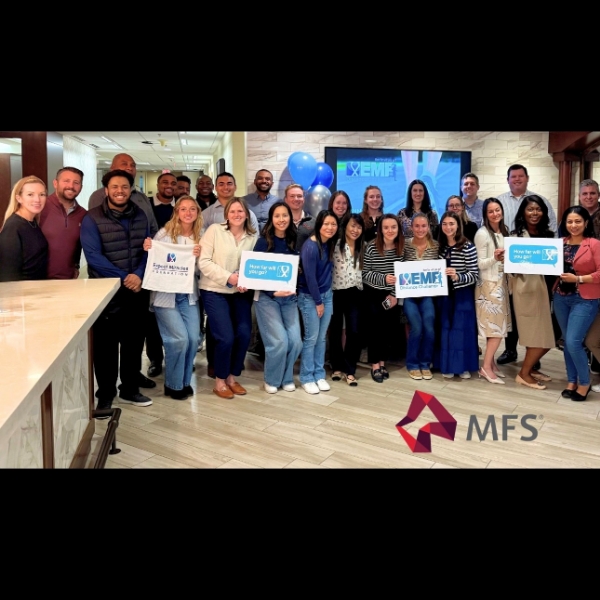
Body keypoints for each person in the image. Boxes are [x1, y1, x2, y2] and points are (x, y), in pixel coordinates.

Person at [80, 169, 153, 413]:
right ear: (106, 190)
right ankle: (105, 394)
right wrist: (125, 277)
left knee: (134, 344)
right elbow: (93, 256)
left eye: (124, 186)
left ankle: (130, 389)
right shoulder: (92, 218)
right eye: (115, 187)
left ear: (131, 189)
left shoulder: (140, 214)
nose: (120, 191)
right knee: (105, 348)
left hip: (136, 290)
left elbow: (147, 249)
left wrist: (139, 274)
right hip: (106, 292)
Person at [496, 164, 558, 366]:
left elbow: (554, 246)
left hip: (542, 283)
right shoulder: (501, 203)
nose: (534, 212)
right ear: (508, 179)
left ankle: (533, 357)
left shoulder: (548, 232)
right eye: (513, 176)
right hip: (519, 282)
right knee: (515, 317)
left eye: (520, 176)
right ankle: (511, 350)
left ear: (527, 178)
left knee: (538, 318)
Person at [143, 196, 202, 400]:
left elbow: (202, 270)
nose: (188, 213)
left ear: (197, 212)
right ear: (176, 212)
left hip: (188, 295)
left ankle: (184, 382)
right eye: (183, 209)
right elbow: (153, 262)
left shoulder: (201, 236)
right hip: (165, 296)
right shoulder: (163, 235)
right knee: (179, 339)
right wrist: (149, 249)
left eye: (192, 209)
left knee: (193, 339)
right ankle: (173, 385)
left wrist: (199, 258)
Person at [201, 172, 259, 379]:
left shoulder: (253, 237)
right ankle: (220, 379)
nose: (236, 214)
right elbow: (203, 262)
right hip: (214, 290)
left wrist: (246, 279)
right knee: (225, 337)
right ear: (226, 214)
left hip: (241, 292)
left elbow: (255, 264)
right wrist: (229, 277)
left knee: (243, 334)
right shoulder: (214, 230)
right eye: (232, 211)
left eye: (240, 211)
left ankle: (233, 377)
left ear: (247, 214)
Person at [253, 201, 302, 394]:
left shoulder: (294, 240)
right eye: (277, 216)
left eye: (285, 215)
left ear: (290, 218)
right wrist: (272, 291)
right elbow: (254, 273)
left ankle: (286, 377)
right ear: (271, 219)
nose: (281, 219)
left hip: (289, 299)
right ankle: (272, 379)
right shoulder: (263, 242)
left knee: (295, 342)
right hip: (267, 299)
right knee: (279, 341)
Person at [508, 195, 556, 390]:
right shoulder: (515, 237)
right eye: (530, 209)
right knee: (538, 336)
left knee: (545, 334)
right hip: (526, 291)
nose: (534, 213)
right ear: (523, 213)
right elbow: (511, 270)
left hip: (546, 290)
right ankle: (524, 374)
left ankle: (530, 368)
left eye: (538, 209)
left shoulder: (549, 236)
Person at [553, 206, 600, 402]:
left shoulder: (594, 244)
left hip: (585, 298)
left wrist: (579, 279)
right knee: (566, 341)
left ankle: (584, 382)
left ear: (586, 223)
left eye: (578, 221)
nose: (573, 225)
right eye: (570, 221)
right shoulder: (559, 243)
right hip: (560, 297)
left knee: (573, 341)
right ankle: (571, 380)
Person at [297, 210, 339, 394]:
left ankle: (319, 374)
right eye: (326, 224)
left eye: (333, 224)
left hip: (327, 295)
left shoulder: (329, 243)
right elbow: (310, 278)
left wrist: (325, 298)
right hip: (311, 298)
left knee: (321, 338)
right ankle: (306, 377)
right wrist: (318, 302)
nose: (330, 227)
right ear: (319, 225)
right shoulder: (310, 246)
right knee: (311, 338)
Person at [434, 211, 479, 379]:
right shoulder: (439, 246)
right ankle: (447, 366)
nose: (448, 227)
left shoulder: (467, 246)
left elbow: (474, 275)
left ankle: (462, 367)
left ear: (458, 225)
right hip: (444, 295)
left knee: (461, 331)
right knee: (446, 329)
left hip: (462, 295)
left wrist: (457, 276)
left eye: (451, 224)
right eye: (445, 224)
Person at [362, 213, 404, 383]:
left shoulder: (401, 248)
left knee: (388, 330)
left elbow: (403, 275)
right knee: (375, 330)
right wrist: (384, 279)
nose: (390, 230)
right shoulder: (371, 247)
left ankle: (383, 362)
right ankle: (375, 364)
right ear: (380, 229)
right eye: (386, 227)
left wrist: (394, 294)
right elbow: (365, 274)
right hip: (373, 294)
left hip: (392, 295)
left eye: (393, 227)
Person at [145, 171, 179, 378]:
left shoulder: (181, 206)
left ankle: (176, 357)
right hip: (155, 269)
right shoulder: (147, 205)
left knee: (176, 319)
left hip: (178, 270)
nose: (169, 186)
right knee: (154, 318)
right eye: (165, 182)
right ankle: (155, 359)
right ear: (157, 185)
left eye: (173, 183)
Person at [474, 198, 512, 385]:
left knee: (497, 328)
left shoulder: (504, 230)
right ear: (485, 214)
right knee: (496, 330)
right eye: (491, 211)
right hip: (488, 286)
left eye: (497, 210)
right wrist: (495, 258)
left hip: (501, 283)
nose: (495, 214)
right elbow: (479, 264)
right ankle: (486, 368)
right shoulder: (482, 233)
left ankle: (491, 363)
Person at [329, 213, 366, 386]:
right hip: (336, 292)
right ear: (345, 226)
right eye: (352, 226)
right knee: (335, 330)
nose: (355, 230)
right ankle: (336, 366)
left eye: (359, 227)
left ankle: (350, 370)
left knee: (354, 331)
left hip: (356, 293)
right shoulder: (335, 245)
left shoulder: (363, 247)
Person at [402, 213, 440, 380]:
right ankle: (412, 363)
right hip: (409, 296)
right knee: (416, 327)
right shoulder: (404, 245)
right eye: (416, 226)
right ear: (411, 227)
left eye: (423, 226)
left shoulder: (436, 246)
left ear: (429, 227)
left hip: (427, 295)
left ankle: (425, 363)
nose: (420, 229)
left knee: (429, 328)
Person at [88, 153, 158, 236]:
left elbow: (153, 228)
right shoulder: (98, 196)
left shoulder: (143, 198)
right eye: (124, 164)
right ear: (112, 168)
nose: (130, 168)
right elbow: (94, 229)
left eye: (133, 165)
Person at [39, 167, 87, 279]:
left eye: (76, 183)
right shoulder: (40, 207)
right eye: (66, 181)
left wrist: (76, 266)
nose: (71, 186)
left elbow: (78, 244)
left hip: (68, 280)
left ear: (81, 187)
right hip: (39, 280)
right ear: (55, 183)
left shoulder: (83, 214)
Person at [0, 175, 48, 282]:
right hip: (22, 290)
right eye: (30, 194)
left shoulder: (32, 222)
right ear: (19, 198)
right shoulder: (13, 227)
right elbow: (7, 273)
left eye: (42, 194)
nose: (37, 199)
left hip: (38, 288)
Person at [283, 183, 315, 250]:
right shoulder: (279, 221)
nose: (296, 199)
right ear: (286, 199)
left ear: (303, 199)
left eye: (299, 196)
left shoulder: (313, 222)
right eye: (292, 196)